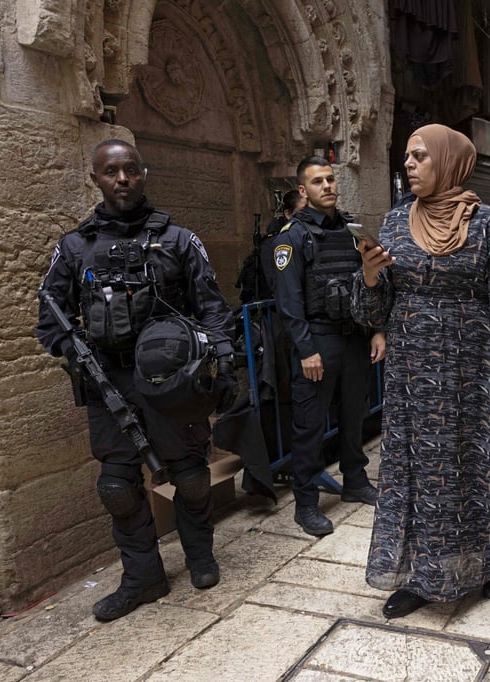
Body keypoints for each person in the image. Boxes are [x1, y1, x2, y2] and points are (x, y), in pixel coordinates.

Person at [36, 139, 237, 621]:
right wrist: (78, 355)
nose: (122, 179)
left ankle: (200, 556)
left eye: (130, 170)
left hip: (173, 383)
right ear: (96, 178)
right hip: (108, 382)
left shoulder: (179, 240)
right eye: (111, 172)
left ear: (144, 173)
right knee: (118, 487)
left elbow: (212, 307)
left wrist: (221, 362)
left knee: (189, 477)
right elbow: (49, 321)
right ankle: (143, 578)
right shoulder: (74, 247)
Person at [354, 124, 490, 619]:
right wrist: (371, 278)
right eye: (407, 158)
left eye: (420, 157)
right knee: (418, 470)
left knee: (473, 465)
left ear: (448, 161)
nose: (409, 165)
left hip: (469, 367)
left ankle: (488, 567)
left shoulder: (488, 225)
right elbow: (376, 312)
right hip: (412, 372)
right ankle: (421, 577)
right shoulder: (394, 223)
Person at [272, 156, 383, 536]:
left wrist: (376, 330)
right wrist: (306, 350)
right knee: (309, 426)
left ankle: (355, 481)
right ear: (303, 191)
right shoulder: (292, 237)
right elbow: (289, 304)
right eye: (318, 182)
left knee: (356, 414)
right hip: (317, 341)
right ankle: (306, 504)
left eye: (331, 179)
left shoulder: (352, 231)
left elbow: (370, 282)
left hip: (353, 337)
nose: (328, 186)